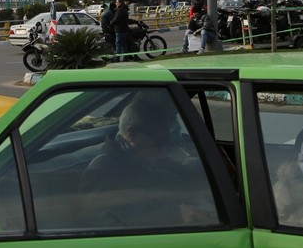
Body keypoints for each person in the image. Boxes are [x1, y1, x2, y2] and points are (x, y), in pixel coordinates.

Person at [79, 94, 213, 228]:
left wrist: (194, 169)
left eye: (168, 143)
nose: (165, 151)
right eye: (159, 142)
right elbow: (101, 223)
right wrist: (176, 215)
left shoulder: (145, 161)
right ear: (132, 134)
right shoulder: (103, 169)